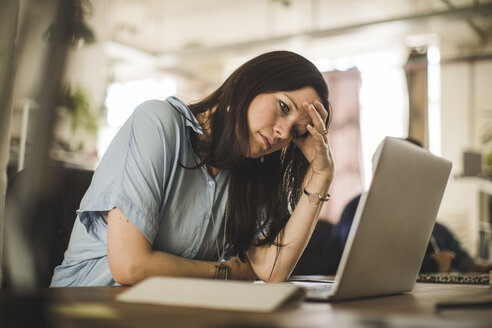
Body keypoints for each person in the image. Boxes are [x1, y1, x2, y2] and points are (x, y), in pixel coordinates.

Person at [50, 51, 335, 287]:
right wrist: (227, 272)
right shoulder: (158, 123)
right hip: (86, 304)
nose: (283, 133)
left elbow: (270, 270)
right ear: (250, 84)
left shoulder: (250, 173)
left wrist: (322, 175)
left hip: (167, 311)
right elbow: (130, 266)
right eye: (284, 107)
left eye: (297, 132)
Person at [326, 138, 492, 274]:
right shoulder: (358, 208)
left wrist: (482, 267)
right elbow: (359, 263)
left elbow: (462, 259)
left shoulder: (433, 226)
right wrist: (431, 267)